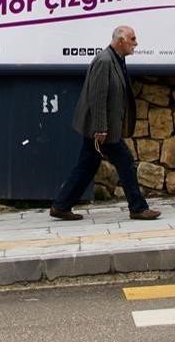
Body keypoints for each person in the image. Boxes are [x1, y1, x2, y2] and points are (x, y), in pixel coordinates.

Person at [50, 25, 161, 221]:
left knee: (87, 166)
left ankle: (61, 205)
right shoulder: (104, 61)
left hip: (104, 127)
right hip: (102, 129)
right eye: (132, 39)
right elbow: (98, 98)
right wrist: (100, 128)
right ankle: (137, 207)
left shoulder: (117, 59)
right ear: (121, 41)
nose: (136, 43)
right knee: (125, 162)